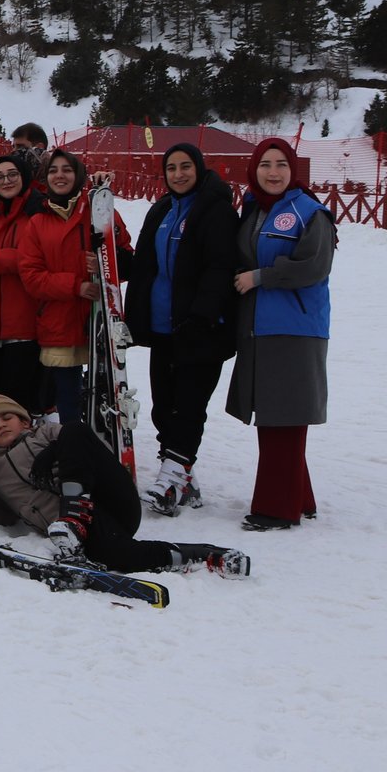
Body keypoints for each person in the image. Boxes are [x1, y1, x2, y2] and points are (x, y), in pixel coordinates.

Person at [0, 394, 247, 576]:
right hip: (85, 528)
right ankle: (202, 556)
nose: (1, 425)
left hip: (110, 499)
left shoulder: (45, 432)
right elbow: (2, 512)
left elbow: (85, 445)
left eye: (6, 418)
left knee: (74, 429)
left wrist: (53, 449)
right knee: (120, 556)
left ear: (24, 421)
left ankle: (74, 515)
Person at [124, 143, 238, 515]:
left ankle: (173, 476)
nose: (178, 174)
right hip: (163, 328)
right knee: (164, 405)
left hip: (202, 329)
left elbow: (220, 267)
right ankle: (179, 476)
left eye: (185, 166)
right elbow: (145, 264)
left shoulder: (216, 210)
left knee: (189, 405)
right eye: (171, 168)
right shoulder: (162, 209)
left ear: (199, 168)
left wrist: (203, 315)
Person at [225, 138, 333, 532]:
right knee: (275, 414)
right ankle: (299, 497)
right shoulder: (253, 210)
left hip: (294, 327)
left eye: (281, 165)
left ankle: (276, 508)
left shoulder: (310, 212)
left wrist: (262, 277)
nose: (273, 172)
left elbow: (314, 267)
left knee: (285, 416)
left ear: (293, 170)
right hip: (259, 326)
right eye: (266, 164)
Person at [17, 150, 129, 423]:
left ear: (78, 175)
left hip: (99, 317)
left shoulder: (99, 211)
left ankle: (104, 446)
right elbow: (31, 276)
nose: (59, 175)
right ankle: (74, 447)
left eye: (66, 169)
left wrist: (103, 266)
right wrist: (75, 286)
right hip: (59, 319)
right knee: (67, 395)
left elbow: (125, 257)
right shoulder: (38, 222)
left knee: (104, 389)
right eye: (53, 170)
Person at [0, 156, 44, 412]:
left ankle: (25, 448)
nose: (6, 181)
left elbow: (32, 255)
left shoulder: (37, 212)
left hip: (24, 326)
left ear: (24, 176)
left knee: (19, 399)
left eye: (12, 174)